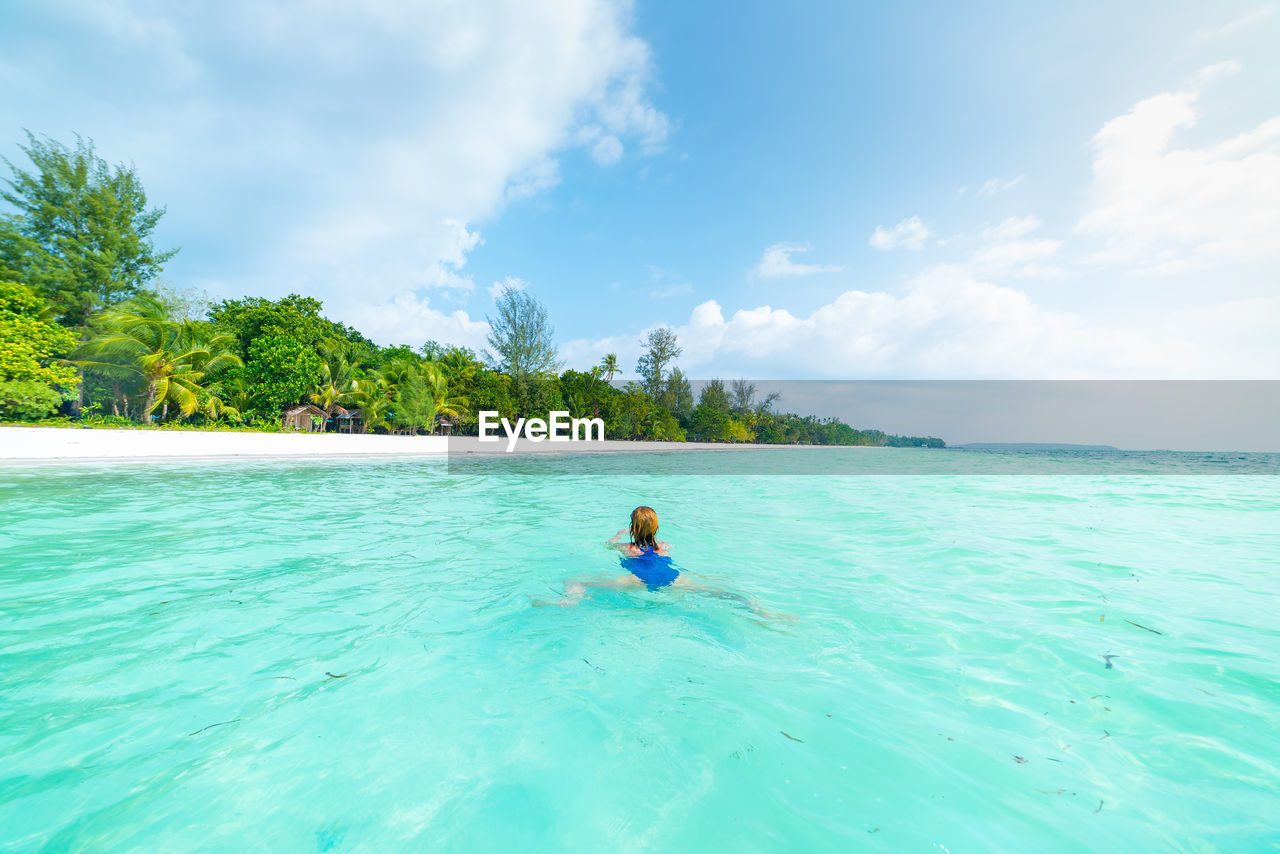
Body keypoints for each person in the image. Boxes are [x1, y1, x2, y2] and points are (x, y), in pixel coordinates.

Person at [539, 507, 786, 621]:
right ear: (656, 527)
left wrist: (616, 536)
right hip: (674, 579)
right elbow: (665, 553)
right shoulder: (664, 545)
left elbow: (605, 545)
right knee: (724, 592)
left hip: (636, 581)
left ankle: (569, 602)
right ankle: (759, 610)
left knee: (575, 580)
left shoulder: (627, 547)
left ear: (632, 527)